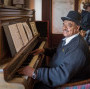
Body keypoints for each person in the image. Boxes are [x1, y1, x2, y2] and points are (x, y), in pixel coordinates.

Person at [18, 11, 90, 89]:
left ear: (77, 28)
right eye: (64, 24)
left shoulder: (77, 48)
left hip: (66, 82)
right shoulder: (71, 38)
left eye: (69, 25)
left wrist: (35, 73)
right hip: (57, 72)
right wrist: (45, 51)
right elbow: (61, 51)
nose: (64, 28)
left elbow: (62, 74)